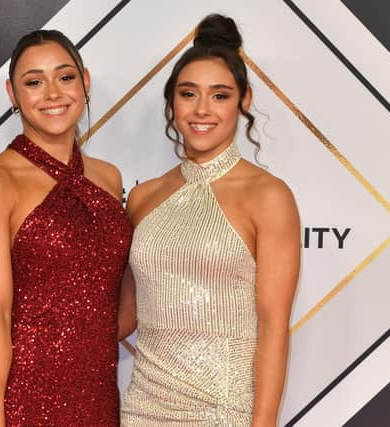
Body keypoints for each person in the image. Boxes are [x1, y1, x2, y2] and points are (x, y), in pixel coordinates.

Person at [119, 14, 301, 427]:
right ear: (172, 102)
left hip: (223, 413)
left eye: (220, 95)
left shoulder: (269, 196)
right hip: (142, 410)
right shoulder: (144, 196)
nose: (202, 110)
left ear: (244, 100)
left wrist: (264, 423)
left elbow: (274, 327)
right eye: (188, 94)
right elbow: (124, 316)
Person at [0, 29, 132, 427]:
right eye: (34, 82)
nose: (53, 93)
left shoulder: (109, 178)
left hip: (97, 396)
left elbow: (113, 300)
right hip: (20, 400)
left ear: (84, 83)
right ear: (12, 95)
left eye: (65, 77)